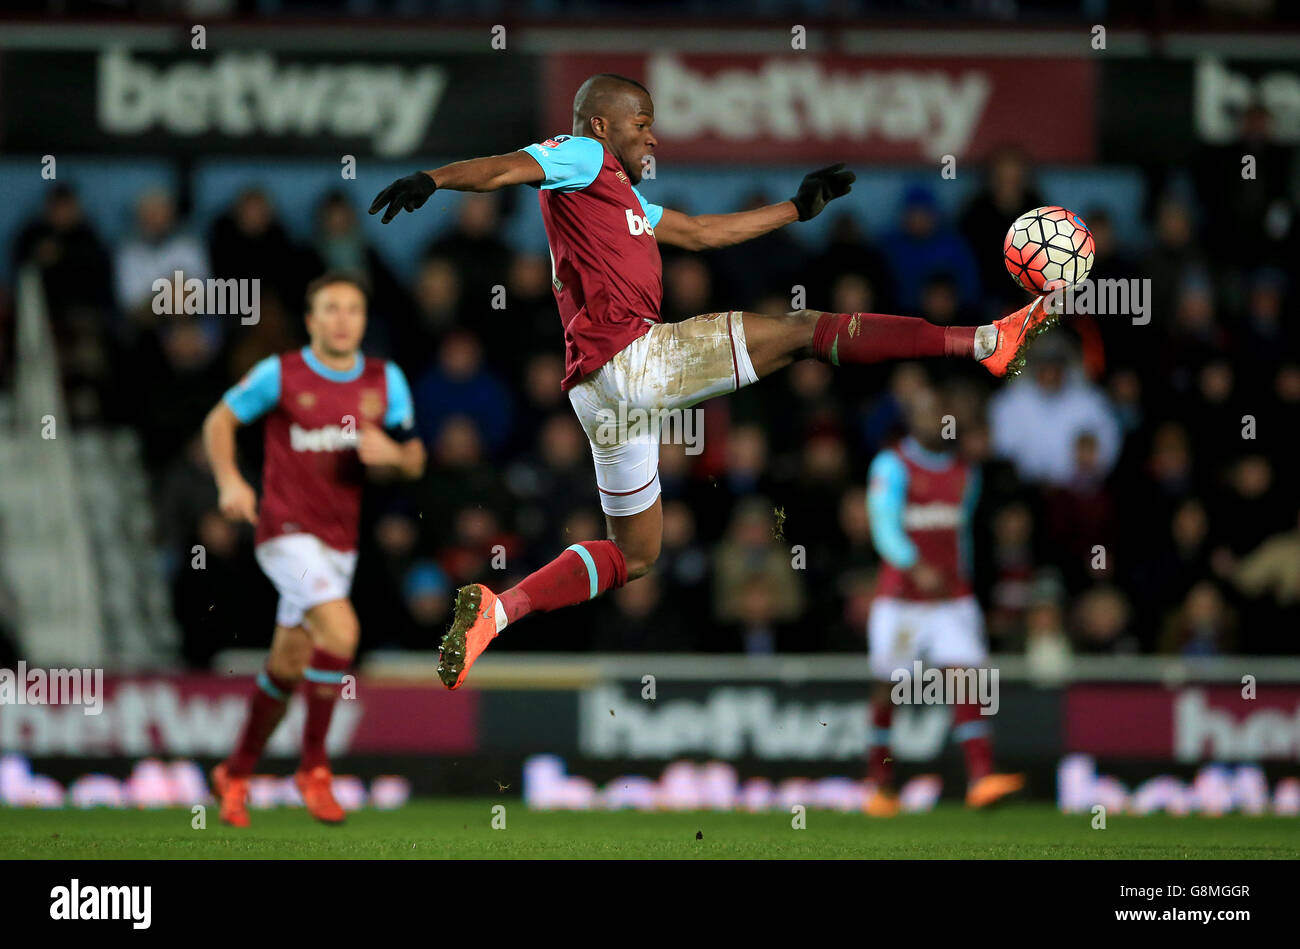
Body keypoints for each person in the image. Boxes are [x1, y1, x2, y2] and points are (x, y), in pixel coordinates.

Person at [370, 72, 1059, 691]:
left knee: (636, 555)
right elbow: (505, 169)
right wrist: (433, 179)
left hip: (596, 392)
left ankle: (502, 608)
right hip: (636, 359)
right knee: (801, 330)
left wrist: (795, 208)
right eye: (641, 120)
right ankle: (984, 341)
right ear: (603, 124)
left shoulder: (619, 202)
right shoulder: (582, 155)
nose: (652, 133)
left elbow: (700, 233)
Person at [201, 272, 425, 826]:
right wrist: (230, 481)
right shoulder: (282, 373)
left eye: (353, 309)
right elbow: (219, 420)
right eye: (331, 308)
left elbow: (417, 457)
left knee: (287, 664)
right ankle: (314, 768)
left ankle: (236, 771)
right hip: (284, 534)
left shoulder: (385, 379)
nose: (343, 319)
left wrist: (392, 458)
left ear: (364, 320)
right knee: (343, 632)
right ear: (311, 320)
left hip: (339, 546)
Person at [863, 384, 1024, 813]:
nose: (934, 421)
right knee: (887, 688)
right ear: (913, 421)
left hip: (952, 600)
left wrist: (963, 582)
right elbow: (883, 526)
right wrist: (914, 565)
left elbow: (961, 536)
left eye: (941, 415)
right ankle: (880, 786)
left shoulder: (966, 472)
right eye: (926, 414)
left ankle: (981, 780)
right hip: (901, 601)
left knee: (966, 680)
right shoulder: (891, 465)